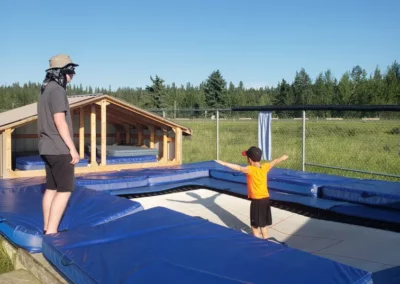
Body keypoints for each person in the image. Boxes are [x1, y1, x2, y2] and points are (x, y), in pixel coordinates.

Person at [37, 54, 80, 235]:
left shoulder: (46, 91)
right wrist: (72, 148)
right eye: (71, 71)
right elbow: (59, 121)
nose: (73, 75)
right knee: (64, 191)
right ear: (63, 72)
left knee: (51, 188)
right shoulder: (57, 91)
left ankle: (47, 227)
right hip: (59, 149)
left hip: (46, 148)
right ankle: (52, 232)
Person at [216, 146, 288, 239]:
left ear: (249, 159)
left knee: (254, 227)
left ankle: (258, 244)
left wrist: (224, 163)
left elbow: (238, 168)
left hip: (257, 201)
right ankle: (266, 240)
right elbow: (274, 162)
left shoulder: (250, 169)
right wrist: (282, 158)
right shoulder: (265, 167)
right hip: (266, 200)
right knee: (263, 225)